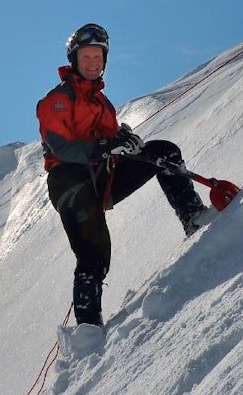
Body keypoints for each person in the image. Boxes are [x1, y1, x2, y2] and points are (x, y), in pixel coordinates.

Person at [36, 22, 210, 327]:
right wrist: (105, 145)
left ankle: (195, 218)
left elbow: (109, 143)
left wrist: (125, 142)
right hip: (70, 182)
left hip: (103, 176)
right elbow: (62, 147)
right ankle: (88, 330)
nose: (92, 62)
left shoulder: (103, 104)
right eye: (86, 56)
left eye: (98, 57)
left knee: (162, 152)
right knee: (94, 253)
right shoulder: (56, 101)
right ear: (74, 60)